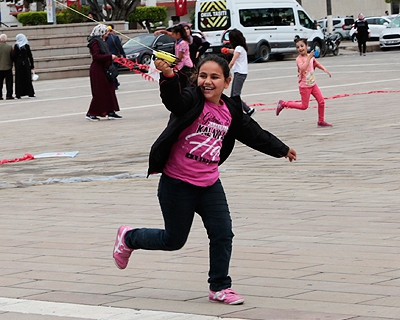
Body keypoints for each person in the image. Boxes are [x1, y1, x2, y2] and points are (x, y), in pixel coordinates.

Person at [112, 54, 296, 305]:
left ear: (227, 82)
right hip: (177, 183)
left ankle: (220, 286)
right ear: (196, 78)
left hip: (209, 184)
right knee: (174, 240)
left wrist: (281, 149)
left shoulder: (230, 109)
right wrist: (167, 76)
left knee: (223, 234)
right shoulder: (191, 99)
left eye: (215, 77)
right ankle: (129, 237)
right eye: (203, 76)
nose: (208, 82)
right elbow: (174, 100)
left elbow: (253, 133)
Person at [276, 36, 333, 127]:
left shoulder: (310, 57)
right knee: (304, 106)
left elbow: (316, 63)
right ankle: (283, 104)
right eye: (298, 47)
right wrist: (309, 58)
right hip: (304, 86)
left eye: (302, 46)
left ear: (307, 46)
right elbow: (302, 68)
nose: (300, 48)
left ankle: (321, 121)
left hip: (313, 84)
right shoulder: (299, 59)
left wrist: (325, 70)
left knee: (321, 101)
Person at [86, 24, 122, 121]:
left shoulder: (102, 42)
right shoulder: (95, 42)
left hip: (105, 69)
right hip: (98, 70)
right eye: (105, 33)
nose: (107, 35)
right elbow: (96, 57)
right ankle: (91, 113)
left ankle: (110, 111)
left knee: (109, 90)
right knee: (100, 91)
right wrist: (110, 57)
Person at [225, 29, 253, 116]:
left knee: (235, 95)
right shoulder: (241, 48)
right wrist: (228, 50)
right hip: (241, 73)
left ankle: (245, 110)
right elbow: (235, 51)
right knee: (234, 95)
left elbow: (233, 61)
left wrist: (226, 70)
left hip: (240, 73)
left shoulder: (238, 48)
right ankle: (247, 110)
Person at [12, 33, 35, 99]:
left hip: (18, 64)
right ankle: (30, 93)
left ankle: (18, 94)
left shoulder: (16, 46)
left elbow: (14, 56)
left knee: (19, 79)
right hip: (26, 63)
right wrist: (32, 65)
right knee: (27, 78)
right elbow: (30, 56)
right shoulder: (26, 45)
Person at [0, 33, 14, 100]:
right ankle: (9, 95)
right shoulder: (10, 47)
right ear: (6, 40)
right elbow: (12, 56)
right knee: (9, 82)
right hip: (8, 67)